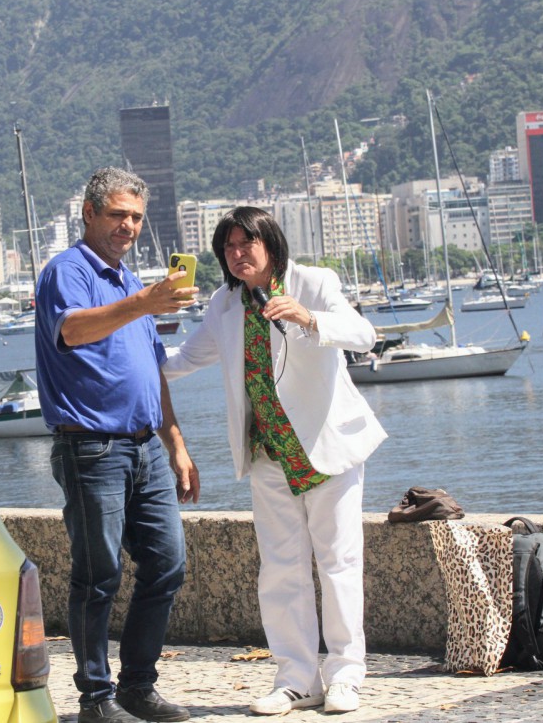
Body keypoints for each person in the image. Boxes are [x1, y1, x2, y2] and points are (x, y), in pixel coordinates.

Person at [162, 206, 386, 716]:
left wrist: (308, 318)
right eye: (229, 247)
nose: (238, 254)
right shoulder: (224, 304)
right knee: (281, 570)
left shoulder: (313, 281)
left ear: (270, 243)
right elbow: (180, 362)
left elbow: (364, 335)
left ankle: (346, 676)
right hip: (269, 455)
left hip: (327, 449)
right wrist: (124, 351)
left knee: (339, 565)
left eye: (247, 244)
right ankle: (296, 679)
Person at [34, 167, 201, 723]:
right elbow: (75, 330)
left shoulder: (134, 285)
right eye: (117, 215)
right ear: (89, 214)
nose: (128, 225)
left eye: (135, 216)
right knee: (97, 574)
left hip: (145, 447)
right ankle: (95, 700)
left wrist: (174, 441)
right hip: (91, 450)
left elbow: (152, 370)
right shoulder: (68, 272)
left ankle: (137, 687)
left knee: (167, 564)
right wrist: (146, 303)